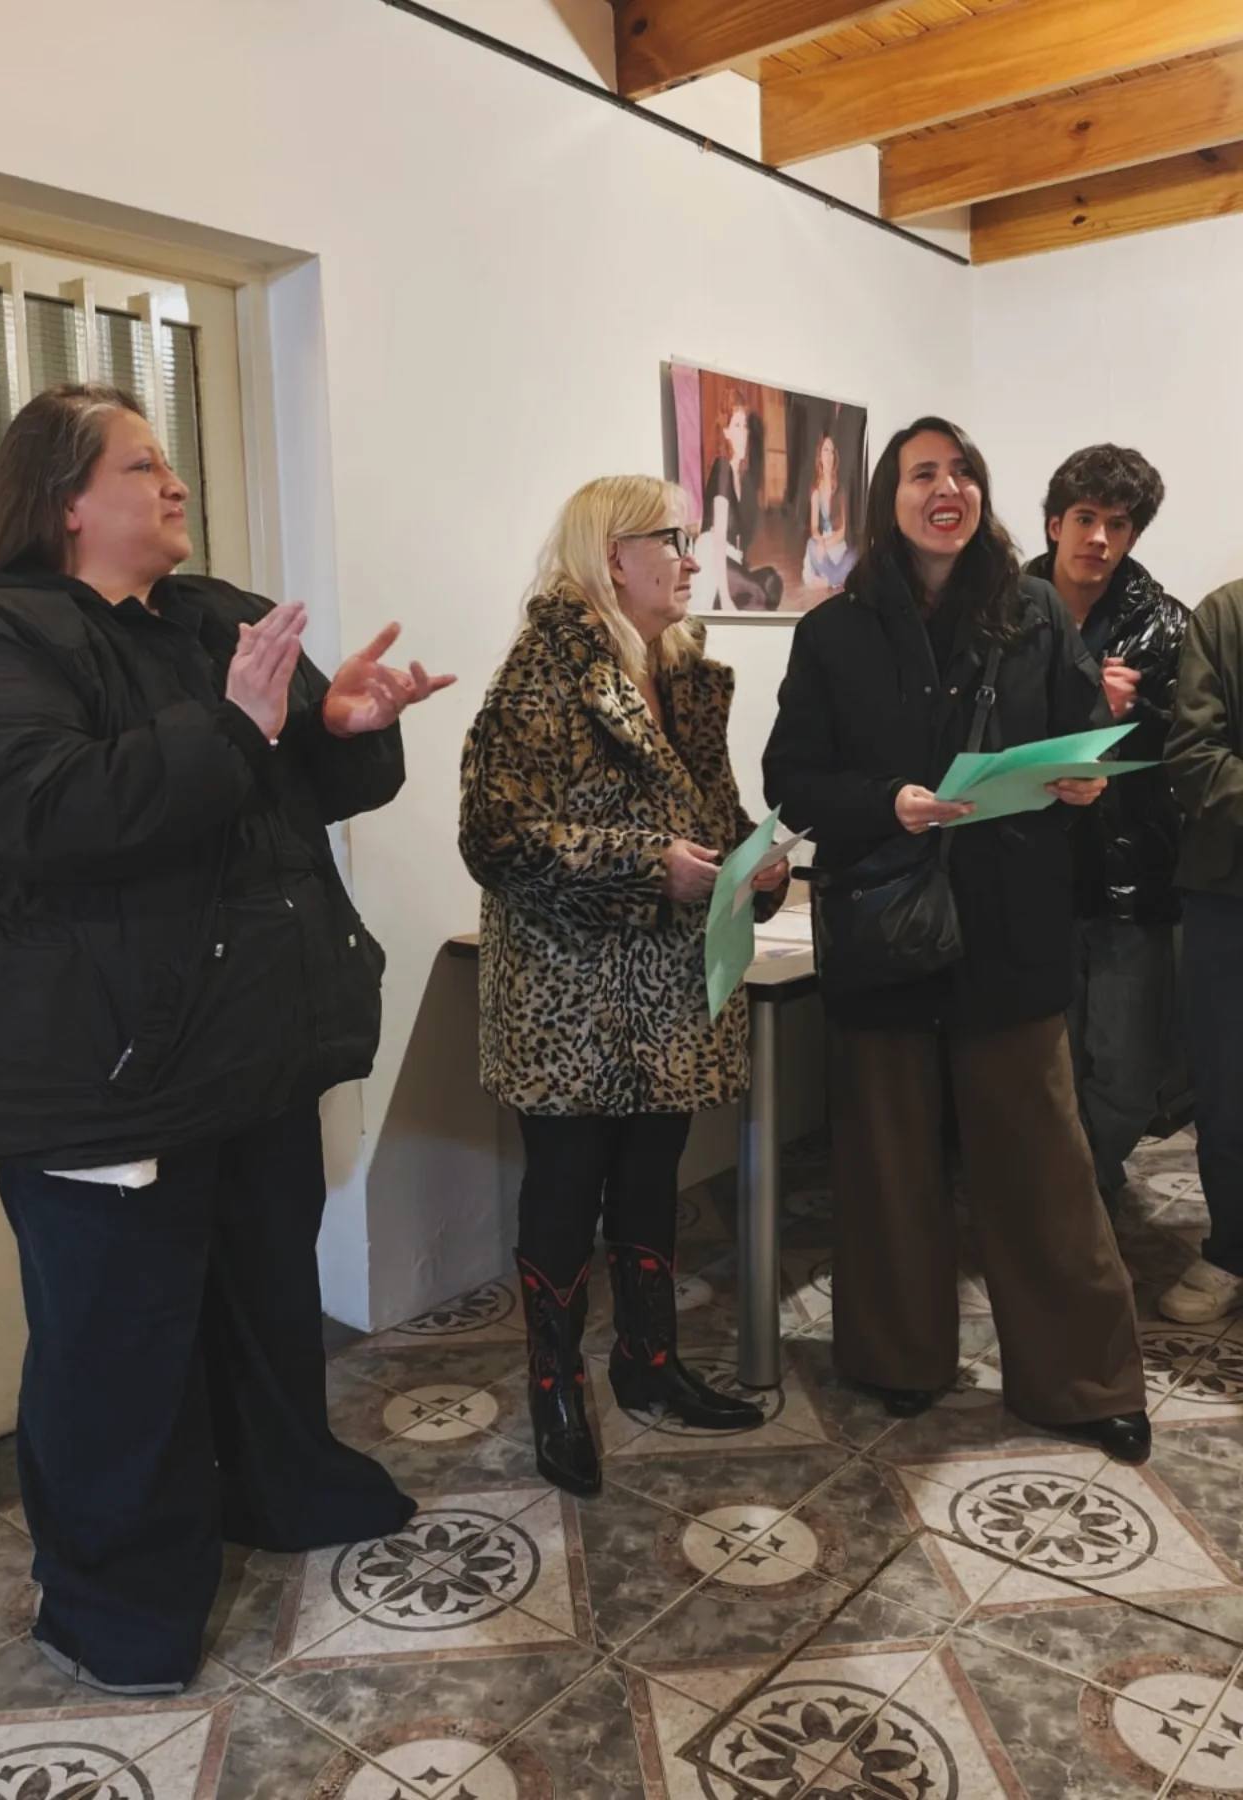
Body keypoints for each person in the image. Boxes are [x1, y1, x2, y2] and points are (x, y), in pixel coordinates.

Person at [0, 384, 454, 1694]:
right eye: (142, 466)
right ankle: (114, 1605)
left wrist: (348, 730)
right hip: (99, 1076)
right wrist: (240, 723)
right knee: (117, 1352)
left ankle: (278, 1487)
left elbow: (294, 787)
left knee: (263, 1305)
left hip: (247, 1055)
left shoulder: (217, 619)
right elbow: (60, 815)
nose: (176, 482)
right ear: (64, 501)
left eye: (169, 461)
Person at [763, 416, 1148, 1463]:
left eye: (964, 470)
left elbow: (1082, 745)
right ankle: (899, 1356)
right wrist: (887, 802)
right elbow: (792, 780)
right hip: (884, 924)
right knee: (889, 1160)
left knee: (1043, 1165)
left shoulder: (1032, 612)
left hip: (1010, 928)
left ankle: (1082, 1378)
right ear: (888, 499)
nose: (949, 487)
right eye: (924, 472)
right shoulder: (834, 633)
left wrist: (1082, 783)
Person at [459, 475, 790, 1496]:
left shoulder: (679, 672)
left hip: (666, 993)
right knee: (564, 1191)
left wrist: (755, 863)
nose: (693, 558)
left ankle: (648, 1364)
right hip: (568, 999)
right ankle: (555, 1392)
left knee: (652, 1178)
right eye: (673, 539)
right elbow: (495, 838)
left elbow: (714, 811)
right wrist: (649, 867)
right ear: (613, 556)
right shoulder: (543, 672)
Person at [1024, 445, 1186, 1212]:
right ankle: (1068, 1198)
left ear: (1133, 535)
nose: (1098, 538)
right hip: (1029, 868)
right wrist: (1087, 704)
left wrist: (1135, 712)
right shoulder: (1002, 612)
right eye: (1084, 518)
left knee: (1125, 1065)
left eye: (1116, 524)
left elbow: (1191, 749)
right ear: (1055, 523)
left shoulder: (1167, 626)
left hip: (1130, 874)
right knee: (1040, 1058)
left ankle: (1082, 1186)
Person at [1162, 575, 1243, 1323]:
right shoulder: (1226, 614)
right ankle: (1230, 1251)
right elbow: (1194, 756)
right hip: (1230, 894)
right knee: (1228, 1086)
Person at [702, 392, 781, 612]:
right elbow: (718, 540)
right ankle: (721, 603)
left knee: (773, 581)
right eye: (736, 426)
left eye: (745, 426)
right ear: (726, 432)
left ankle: (734, 604)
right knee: (759, 594)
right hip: (713, 561)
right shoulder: (722, 468)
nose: (743, 433)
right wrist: (726, 596)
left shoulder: (743, 478)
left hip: (732, 560)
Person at [801, 432, 857, 592]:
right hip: (822, 546)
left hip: (836, 543)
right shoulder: (815, 490)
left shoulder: (841, 490)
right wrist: (820, 543)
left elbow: (843, 531)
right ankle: (838, 578)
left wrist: (825, 545)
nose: (829, 455)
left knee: (855, 555)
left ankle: (828, 581)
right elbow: (814, 528)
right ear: (819, 456)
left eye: (832, 451)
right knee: (811, 545)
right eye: (825, 450)